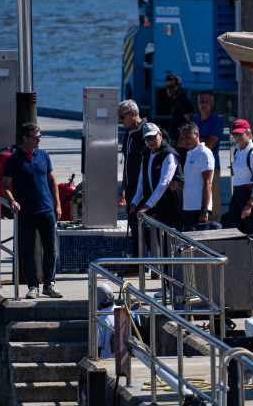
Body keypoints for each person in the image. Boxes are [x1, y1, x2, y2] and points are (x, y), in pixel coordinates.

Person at [1, 122, 63, 300]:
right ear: (25, 139)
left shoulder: (43, 155)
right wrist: (12, 201)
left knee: (50, 248)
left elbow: (52, 181)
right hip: (26, 212)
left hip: (46, 209)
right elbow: (5, 186)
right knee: (27, 250)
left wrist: (57, 204)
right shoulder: (13, 160)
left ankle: (49, 284)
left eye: (40, 136)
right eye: (36, 137)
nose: (39, 140)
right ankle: (32, 287)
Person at [128, 123, 183, 230]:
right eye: (147, 139)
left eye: (153, 137)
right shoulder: (146, 154)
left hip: (171, 206)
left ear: (160, 135)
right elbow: (141, 181)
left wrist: (147, 206)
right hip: (156, 206)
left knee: (171, 241)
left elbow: (164, 183)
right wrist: (134, 202)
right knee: (156, 239)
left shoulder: (169, 154)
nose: (151, 141)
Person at [225, 119, 253, 271]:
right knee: (231, 229)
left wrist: (250, 203)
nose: (237, 137)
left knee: (251, 234)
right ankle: (236, 265)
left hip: (249, 193)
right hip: (237, 194)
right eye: (234, 135)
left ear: (248, 133)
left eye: (240, 134)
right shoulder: (237, 149)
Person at [118, 99, 147, 271]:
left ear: (133, 114)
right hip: (130, 188)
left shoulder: (146, 132)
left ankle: (147, 262)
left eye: (122, 117)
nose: (120, 121)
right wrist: (122, 189)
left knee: (143, 226)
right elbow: (127, 162)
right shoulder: (129, 133)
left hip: (142, 188)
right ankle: (137, 264)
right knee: (133, 225)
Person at [190, 90, 224, 222]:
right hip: (193, 166)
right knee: (195, 197)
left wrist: (193, 141)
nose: (203, 105)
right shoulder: (193, 120)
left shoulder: (217, 121)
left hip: (212, 167)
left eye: (207, 102)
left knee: (213, 199)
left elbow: (210, 144)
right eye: (201, 102)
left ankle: (216, 226)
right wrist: (201, 140)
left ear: (212, 103)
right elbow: (182, 142)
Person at [178, 122, 214, 228]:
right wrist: (178, 185)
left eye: (188, 137)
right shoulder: (190, 153)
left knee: (199, 243)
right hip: (187, 208)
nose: (185, 140)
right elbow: (192, 182)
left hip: (199, 209)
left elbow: (208, 183)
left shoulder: (204, 153)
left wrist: (204, 211)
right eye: (182, 138)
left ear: (197, 135)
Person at [165, 75, 193, 162]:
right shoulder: (176, 100)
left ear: (179, 86)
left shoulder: (183, 101)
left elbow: (191, 122)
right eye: (167, 87)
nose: (169, 89)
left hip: (180, 143)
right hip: (174, 141)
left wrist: (183, 139)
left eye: (172, 87)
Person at [95, 283, 118, 359]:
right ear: (113, 297)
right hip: (125, 360)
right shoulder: (123, 312)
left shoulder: (101, 320)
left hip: (107, 360)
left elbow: (97, 349)